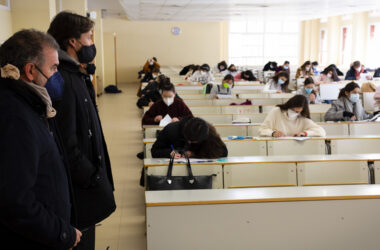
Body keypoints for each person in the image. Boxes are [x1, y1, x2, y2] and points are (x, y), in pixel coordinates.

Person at [0, 29, 82, 249]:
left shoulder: (29, 105)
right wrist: (61, 232)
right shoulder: (15, 117)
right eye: (54, 68)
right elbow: (14, 200)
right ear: (30, 70)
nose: (58, 75)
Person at [48, 11, 116, 250]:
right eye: (89, 37)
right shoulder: (63, 80)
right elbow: (67, 142)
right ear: (73, 42)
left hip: (85, 184)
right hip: (79, 190)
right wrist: (93, 177)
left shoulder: (75, 74)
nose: (92, 44)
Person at [151, 117, 228, 158]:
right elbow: (154, 151)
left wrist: (194, 154)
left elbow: (224, 152)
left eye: (194, 142)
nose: (189, 143)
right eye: (189, 140)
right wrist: (169, 153)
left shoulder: (208, 131)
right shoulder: (171, 129)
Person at [258, 95, 326, 137]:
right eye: (292, 109)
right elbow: (261, 130)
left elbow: (321, 131)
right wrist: (273, 133)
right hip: (276, 146)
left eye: (297, 112)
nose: (293, 113)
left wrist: (305, 133)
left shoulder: (303, 118)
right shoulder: (276, 111)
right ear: (289, 105)